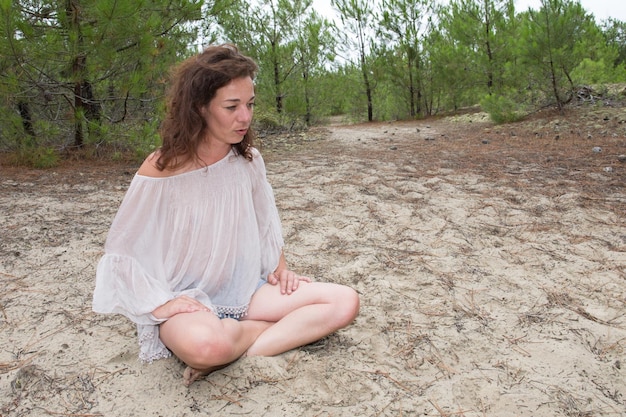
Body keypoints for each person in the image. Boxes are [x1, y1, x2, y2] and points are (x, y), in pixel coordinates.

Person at [92, 44, 360, 386]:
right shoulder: (161, 168)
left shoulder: (248, 162)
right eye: (231, 106)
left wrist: (281, 269)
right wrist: (160, 306)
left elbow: (265, 223)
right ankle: (254, 338)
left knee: (344, 302)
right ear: (199, 108)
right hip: (187, 299)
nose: (245, 117)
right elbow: (122, 249)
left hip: (245, 289)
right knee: (207, 347)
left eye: (249, 104)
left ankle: (239, 347)